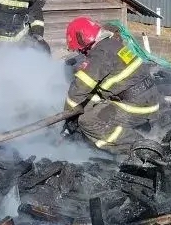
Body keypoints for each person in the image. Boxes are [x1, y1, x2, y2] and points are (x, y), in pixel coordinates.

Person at [63, 16, 160, 154]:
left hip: (136, 107)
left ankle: (139, 148)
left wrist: (68, 117)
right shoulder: (113, 45)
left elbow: (79, 89)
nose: (82, 53)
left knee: (88, 121)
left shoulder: (99, 53)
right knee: (93, 105)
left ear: (83, 39)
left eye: (81, 50)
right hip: (148, 99)